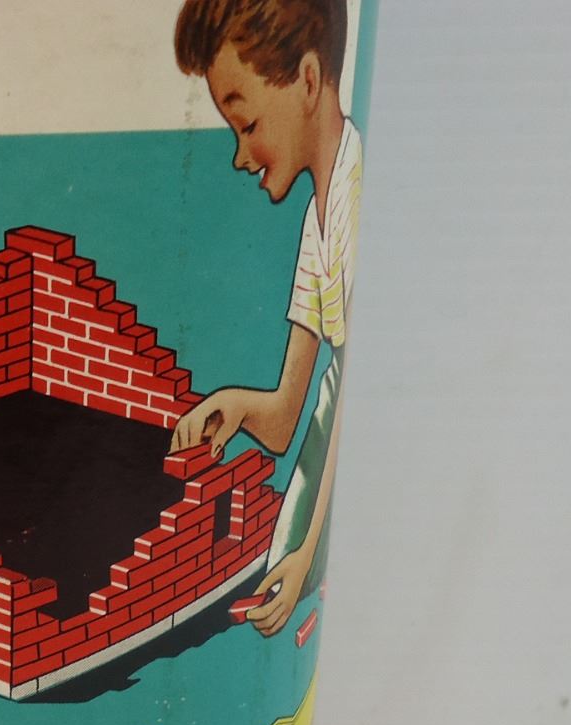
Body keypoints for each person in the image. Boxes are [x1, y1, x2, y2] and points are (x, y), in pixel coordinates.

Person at [169, 0, 361, 638]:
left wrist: (307, 555)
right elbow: (283, 421)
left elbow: (344, 401)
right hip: (317, 458)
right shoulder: (316, 221)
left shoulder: (354, 192)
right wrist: (234, 405)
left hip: (329, 471)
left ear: (308, 80)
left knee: (282, 581)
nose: (240, 155)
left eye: (247, 125)